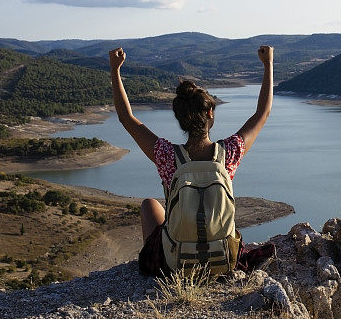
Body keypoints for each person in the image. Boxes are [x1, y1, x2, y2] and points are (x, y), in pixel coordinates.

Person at [108, 44, 274, 275]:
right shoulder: (229, 153)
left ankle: (169, 251)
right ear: (209, 114)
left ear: (180, 118)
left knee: (149, 205)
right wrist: (268, 65)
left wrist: (115, 70)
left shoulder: (166, 156)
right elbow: (262, 113)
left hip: (177, 264)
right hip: (224, 260)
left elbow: (127, 118)